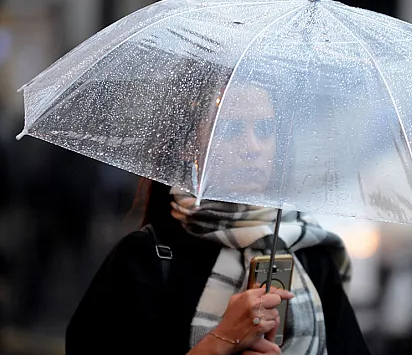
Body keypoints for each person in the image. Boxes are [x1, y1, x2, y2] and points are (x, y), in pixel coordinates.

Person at [66, 68, 371, 354]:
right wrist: (223, 339)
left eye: (264, 129)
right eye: (231, 129)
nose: (252, 146)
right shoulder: (148, 258)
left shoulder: (309, 255)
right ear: (190, 146)